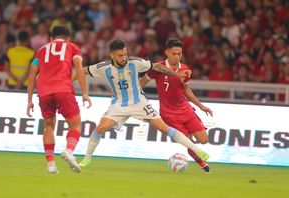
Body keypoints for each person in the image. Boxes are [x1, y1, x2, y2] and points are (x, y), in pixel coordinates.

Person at [73, 39, 209, 168]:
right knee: (100, 128)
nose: (123, 58)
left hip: (140, 103)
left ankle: (197, 150)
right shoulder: (103, 67)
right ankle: (87, 158)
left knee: (164, 128)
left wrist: (175, 74)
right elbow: (82, 70)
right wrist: (67, 82)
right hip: (119, 105)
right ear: (112, 55)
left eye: (125, 54)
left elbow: (157, 67)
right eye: (120, 55)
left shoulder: (135, 62)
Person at [140, 38, 213, 172]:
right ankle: (202, 164)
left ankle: (190, 131)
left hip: (186, 110)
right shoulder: (159, 68)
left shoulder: (185, 69)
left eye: (179, 54)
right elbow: (142, 82)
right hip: (169, 114)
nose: (177, 56)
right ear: (167, 52)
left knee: (204, 140)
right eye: (174, 53)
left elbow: (187, 91)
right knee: (190, 144)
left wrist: (202, 106)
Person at [26, 26, 92, 174]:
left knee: (48, 126)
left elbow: (32, 74)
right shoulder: (72, 47)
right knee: (75, 123)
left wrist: (29, 100)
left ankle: (50, 164)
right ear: (68, 38)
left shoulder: (41, 50)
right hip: (63, 88)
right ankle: (69, 151)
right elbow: (79, 69)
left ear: (51, 38)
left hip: (43, 91)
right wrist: (85, 93)